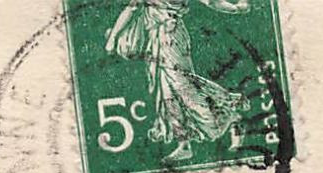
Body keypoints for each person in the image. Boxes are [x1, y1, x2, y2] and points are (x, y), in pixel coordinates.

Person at [105, 0, 251, 163]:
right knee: (166, 92)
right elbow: (131, 8)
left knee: (184, 88)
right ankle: (184, 144)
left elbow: (210, 1)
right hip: (154, 39)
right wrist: (113, 38)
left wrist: (236, 8)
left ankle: (229, 116)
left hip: (172, 38)